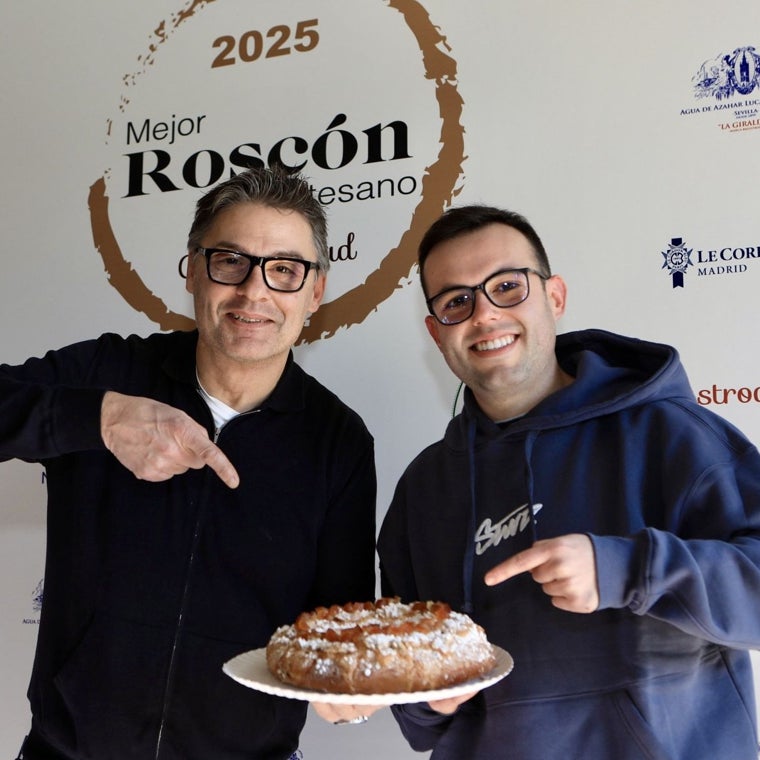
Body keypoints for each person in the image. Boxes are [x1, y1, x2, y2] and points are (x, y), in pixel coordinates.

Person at [1, 167, 376, 760]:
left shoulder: (338, 439)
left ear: (316, 291)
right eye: (230, 261)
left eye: (283, 269)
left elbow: (339, 619)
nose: (255, 293)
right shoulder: (108, 375)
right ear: (194, 270)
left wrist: (345, 675)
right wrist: (99, 419)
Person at [377, 205, 760, 759]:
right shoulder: (423, 489)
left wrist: (625, 568)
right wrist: (427, 697)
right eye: (457, 301)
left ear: (553, 297)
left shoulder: (669, 433)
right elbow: (419, 718)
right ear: (437, 334)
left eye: (507, 286)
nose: (484, 313)